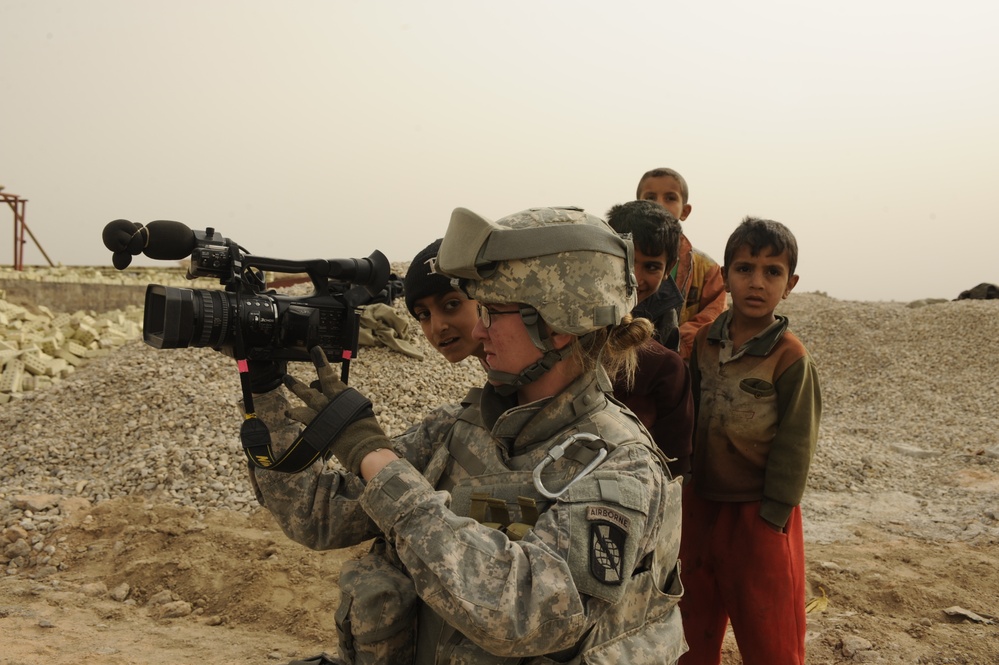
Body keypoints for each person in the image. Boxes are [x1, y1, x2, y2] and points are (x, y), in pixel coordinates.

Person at [243, 206, 687, 665]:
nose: (477, 329)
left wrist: (377, 460)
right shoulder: (459, 428)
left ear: (555, 326)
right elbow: (317, 515)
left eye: (492, 312)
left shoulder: (622, 466)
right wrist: (265, 389)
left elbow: (529, 614)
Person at [678, 217, 821, 665]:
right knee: (691, 621)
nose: (757, 282)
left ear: (790, 283)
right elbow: (691, 414)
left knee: (769, 629)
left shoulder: (790, 356)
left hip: (759, 511)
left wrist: (774, 515)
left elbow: (797, 443)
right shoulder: (705, 341)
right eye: (744, 269)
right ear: (727, 275)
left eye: (772, 272)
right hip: (700, 503)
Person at [605, 200, 694, 478]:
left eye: (652, 267)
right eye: (627, 261)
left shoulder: (665, 363)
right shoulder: (562, 333)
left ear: (669, 271)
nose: (635, 278)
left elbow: (674, 459)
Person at [636, 167, 727, 359]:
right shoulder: (620, 255)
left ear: (685, 211)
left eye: (670, 198)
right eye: (650, 197)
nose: (659, 205)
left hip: (680, 361)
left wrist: (676, 346)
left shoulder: (706, 268)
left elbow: (713, 316)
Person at [404, 238, 485, 365]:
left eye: (452, 304)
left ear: (484, 300)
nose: (437, 327)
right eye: (424, 314)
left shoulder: (521, 359)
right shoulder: (496, 361)